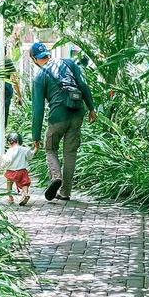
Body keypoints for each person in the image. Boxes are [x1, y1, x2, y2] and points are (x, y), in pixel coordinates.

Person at [29, 40, 96, 202]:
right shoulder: (69, 63)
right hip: (77, 112)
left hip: (58, 116)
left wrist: (35, 136)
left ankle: (55, 177)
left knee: (50, 148)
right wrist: (91, 108)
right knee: (70, 153)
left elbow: (37, 110)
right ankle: (65, 192)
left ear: (34, 59)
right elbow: (83, 85)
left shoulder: (40, 76)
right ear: (48, 53)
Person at [2, 131, 32, 206]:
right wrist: (35, 149)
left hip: (11, 171)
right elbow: (30, 156)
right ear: (19, 141)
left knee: (9, 183)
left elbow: (7, 160)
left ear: (9, 142)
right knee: (25, 183)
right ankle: (25, 194)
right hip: (22, 171)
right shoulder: (24, 149)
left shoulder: (10, 151)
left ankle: (10, 197)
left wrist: (3, 165)